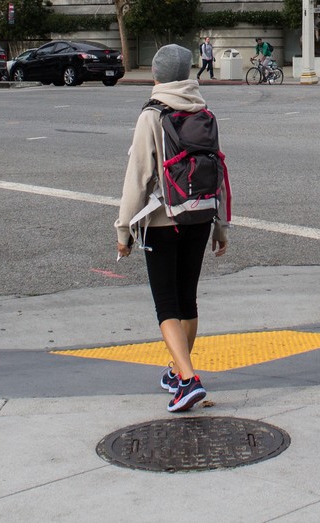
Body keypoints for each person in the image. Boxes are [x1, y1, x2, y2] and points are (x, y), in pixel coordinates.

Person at [115, 44, 229, 413]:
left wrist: (123, 231)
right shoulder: (204, 111)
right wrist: (221, 227)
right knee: (187, 300)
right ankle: (178, 374)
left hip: (163, 221)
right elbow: (218, 173)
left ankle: (189, 380)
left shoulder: (152, 114)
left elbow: (138, 178)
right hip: (199, 216)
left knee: (166, 306)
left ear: (157, 75)